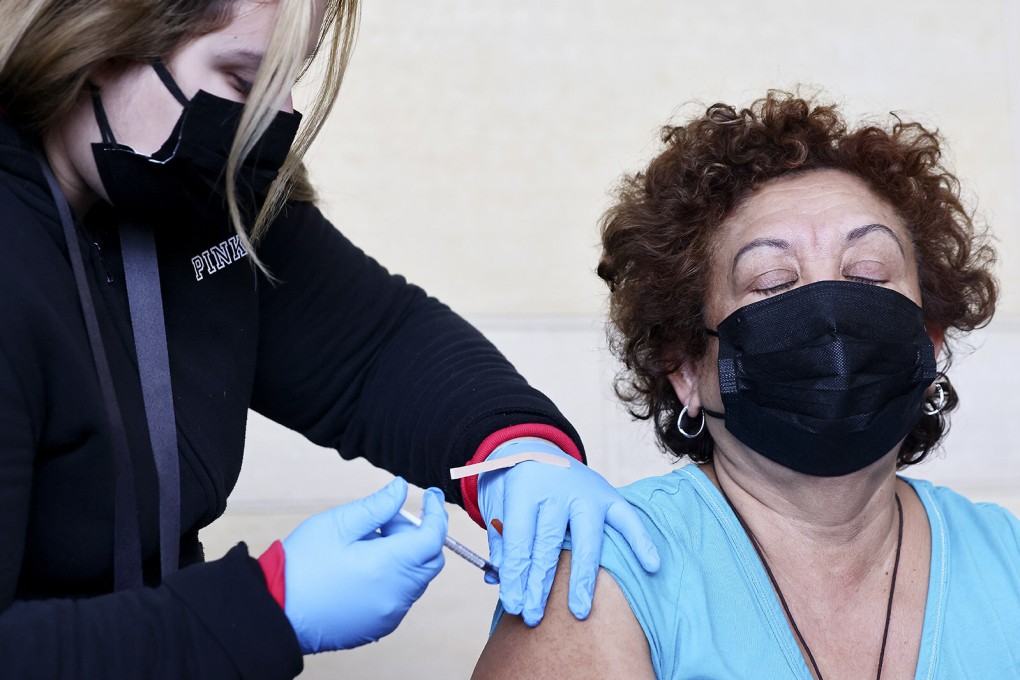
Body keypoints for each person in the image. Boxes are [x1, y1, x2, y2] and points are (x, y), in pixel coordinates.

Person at [0, 1, 661, 677]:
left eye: (288, 80)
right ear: (104, 43)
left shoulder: (197, 204)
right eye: (243, 78)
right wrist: (264, 608)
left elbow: (373, 346)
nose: (280, 114)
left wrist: (513, 453)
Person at [473, 91, 1020, 679]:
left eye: (868, 273)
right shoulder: (600, 575)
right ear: (685, 366)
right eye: (773, 282)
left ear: (929, 341)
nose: (831, 316)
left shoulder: (1007, 559)